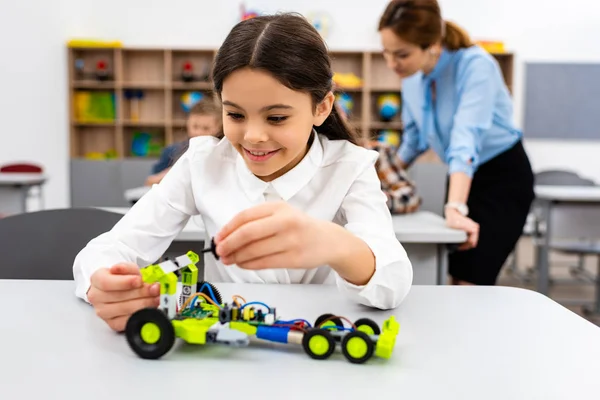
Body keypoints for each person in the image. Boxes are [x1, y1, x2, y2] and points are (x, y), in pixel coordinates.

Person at [73, 13, 413, 332]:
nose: (253, 136)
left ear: (321, 107)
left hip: (315, 349)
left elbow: (392, 282)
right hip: (229, 350)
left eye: (276, 118)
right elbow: (111, 248)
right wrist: (103, 282)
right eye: (235, 115)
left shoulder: (351, 168)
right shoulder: (202, 162)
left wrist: (335, 244)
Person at [378, 0, 535, 286]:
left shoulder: (475, 65)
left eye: (401, 54)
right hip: (460, 176)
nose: (391, 64)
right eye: (386, 52)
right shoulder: (411, 76)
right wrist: (383, 177)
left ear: (433, 45)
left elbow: (466, 138)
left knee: (473, 280)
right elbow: (414, 139)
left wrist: (456, 207)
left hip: (501, 178)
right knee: (454, 276)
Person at [145, 98, 223, 186]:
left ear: (219, 129)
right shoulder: (171, 151)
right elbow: (150, 182)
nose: (199, 133)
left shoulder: (222, 153)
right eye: (195, 126)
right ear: (188, 124)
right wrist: (169, 174)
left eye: (206, 128)